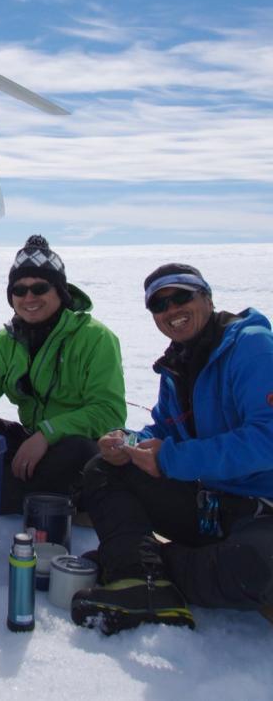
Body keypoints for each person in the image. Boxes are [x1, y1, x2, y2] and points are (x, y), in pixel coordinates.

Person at [72, 262, 273, 635]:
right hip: (210, 506)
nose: (171, 311)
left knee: (253, 570)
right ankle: (140, 579)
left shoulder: (252, 348)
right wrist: (124, 441)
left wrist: (171, 459)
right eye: (159, 305)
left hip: (260, 510)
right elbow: (164, 428)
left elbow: (268, 438)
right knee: (102, 468)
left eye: (182, 297)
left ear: (207, 298)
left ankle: (139, 565)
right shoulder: (178, 365)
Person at [0, 235, 125, 514]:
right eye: (19, 291)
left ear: (60, 291)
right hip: (31, 438)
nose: (29, 297)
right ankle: (16, 490)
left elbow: (109, 413)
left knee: (78, 450)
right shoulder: (8, 340)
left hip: (73, 446)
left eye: (39, 288)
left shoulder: (95, 337)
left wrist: (47, 434)